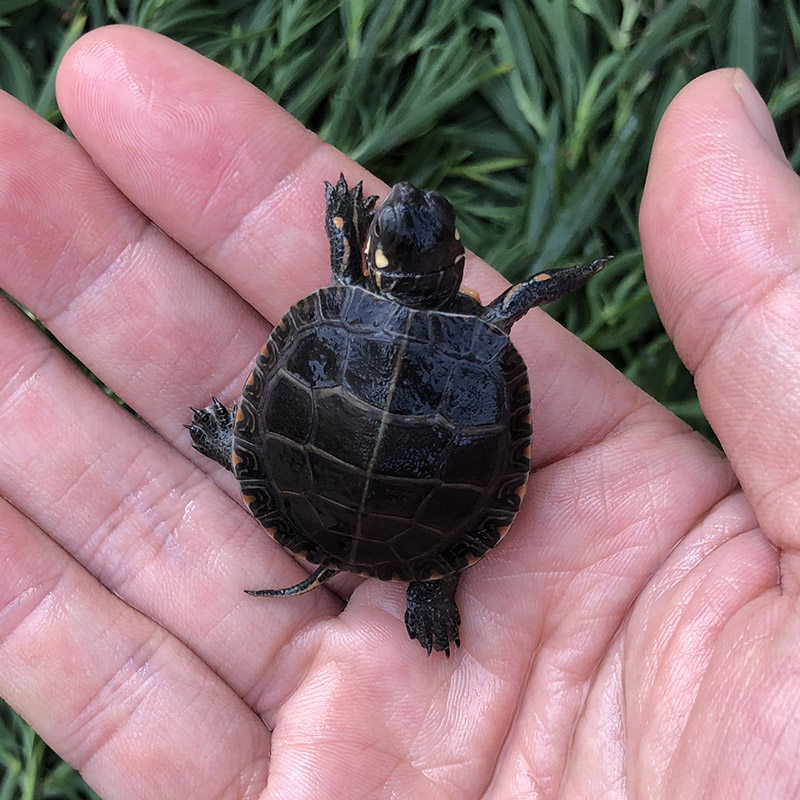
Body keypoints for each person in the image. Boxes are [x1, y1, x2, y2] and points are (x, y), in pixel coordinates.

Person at [0, 25, 797, 799]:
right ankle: (426, 582)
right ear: (450, 261)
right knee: (400, 462)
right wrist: (563, 277)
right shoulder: (482, 333)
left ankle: (254, 461)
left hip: (319, 471)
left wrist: (341, 233)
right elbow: (520, 299)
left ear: (378, 253)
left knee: (306, 426)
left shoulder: (347, 295)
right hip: (423, 495)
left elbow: (351, 289)